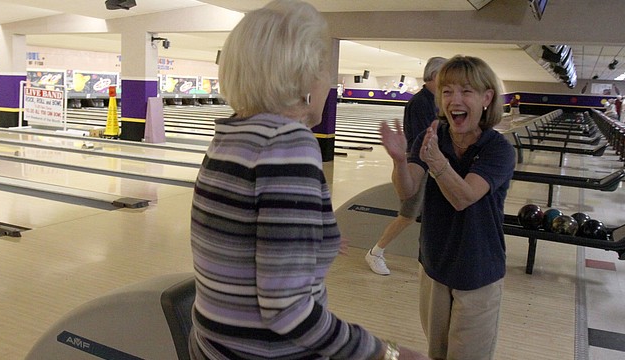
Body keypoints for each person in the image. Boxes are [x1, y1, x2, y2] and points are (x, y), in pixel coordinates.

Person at [188, 1, 426, 359]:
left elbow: (244, 235)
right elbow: (287, 312)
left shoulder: (231, 134)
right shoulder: (288, 144)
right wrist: (386, 353)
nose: (329, 81)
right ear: (304, 77)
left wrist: (315, 238)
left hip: (214, 345)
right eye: (325, 68)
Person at [379, 55, 515, 359]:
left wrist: (436, 161)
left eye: (466, 91)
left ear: (486, 98)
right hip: (434, 264)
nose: (455, 99)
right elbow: (407, 190)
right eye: (447, 91)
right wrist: (400, 161)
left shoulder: (498, 149)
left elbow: (464, 197)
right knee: (437, 352)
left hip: (478, 270)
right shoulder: (432, 137)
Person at [365, 56, 447, 276]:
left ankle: (427, 259)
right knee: (409, 213)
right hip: (417, 163)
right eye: (445, 74)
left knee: (431, 213)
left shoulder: (436, 99)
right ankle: (375, 252)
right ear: (434, 75)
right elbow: (422, 139)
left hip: (431, 161)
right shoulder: (421, 101)